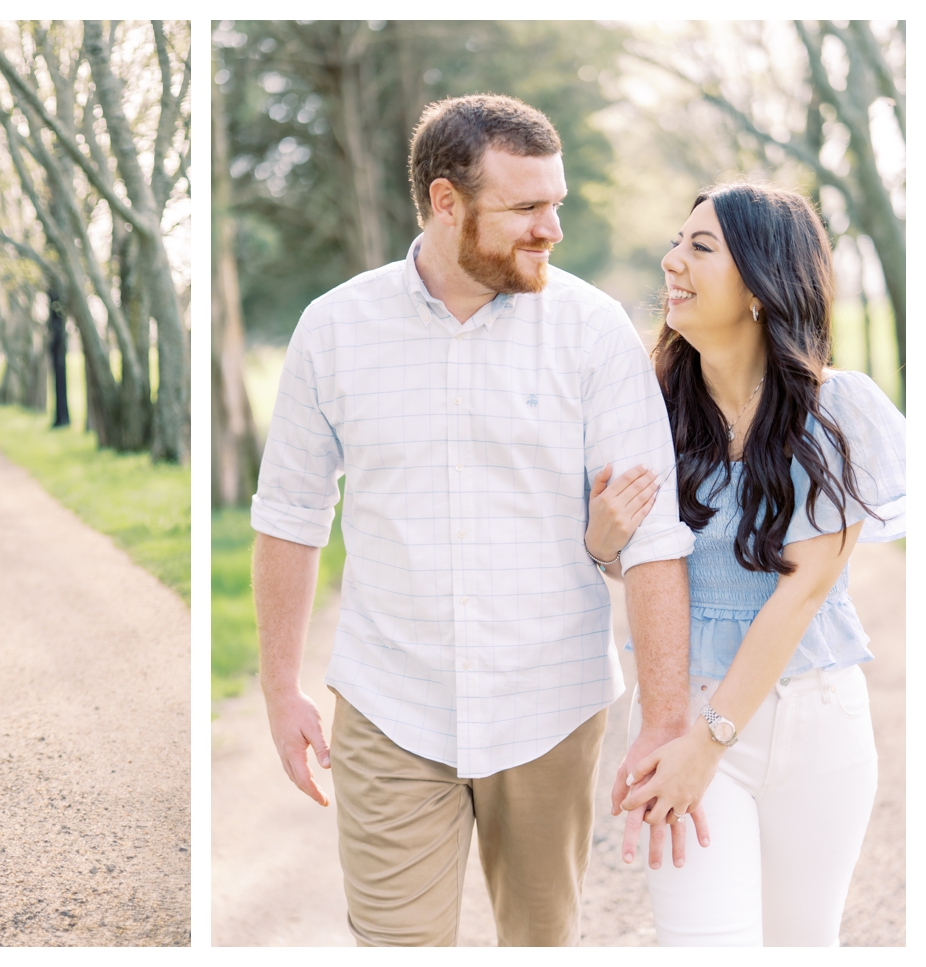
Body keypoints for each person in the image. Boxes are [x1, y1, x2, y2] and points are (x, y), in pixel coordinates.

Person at [251, 94, 697, 947]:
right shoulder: (335, 329)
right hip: (390, 704)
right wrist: (279, 689)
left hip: (550, 706)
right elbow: (291, 514)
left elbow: (653, 536)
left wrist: (665, 715)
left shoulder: (594, 330)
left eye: (555, 202)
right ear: (446, 202)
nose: (551, 229)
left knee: (541, 941)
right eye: (526, 208)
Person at [585, 184, 905, 945]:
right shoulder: (650, 412)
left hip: (811, 718)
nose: (672, 261)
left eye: (701, 247)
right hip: (682, 707)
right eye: (676, 240)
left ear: (763, 283)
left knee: (804, 944)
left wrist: (710, 741)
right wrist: (604, 540)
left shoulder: (837, 411)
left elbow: (800, 595)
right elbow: (650, 574)